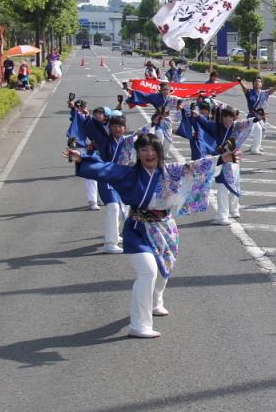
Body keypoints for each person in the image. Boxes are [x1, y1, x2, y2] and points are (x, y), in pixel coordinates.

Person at [68, 133, 238, 337]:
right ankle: (139, 324)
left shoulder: (171, 172)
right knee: (148, 272)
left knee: (163, 270)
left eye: (153, 150)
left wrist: (223, 158)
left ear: (160, 152)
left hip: (165, 228)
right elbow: (105, 169)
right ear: (138, 154)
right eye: (144, 150)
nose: (149, 154)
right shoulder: (128, 173)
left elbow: (196, 166)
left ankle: (156, 299)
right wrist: (81, 159)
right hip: (137, 229)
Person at [68, 108, 135, 253]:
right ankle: (110, 242)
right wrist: (85, 115)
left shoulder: (128, 141)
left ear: (125, 128)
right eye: (114, 126)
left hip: (122, 179)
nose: (117, 129)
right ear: (109, 128)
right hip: (106, 177)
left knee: (124, 208)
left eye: (120, 126)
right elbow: (92, 126)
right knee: (113, 207)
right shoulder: (104, 139)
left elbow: (143, 136)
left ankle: (116, 234)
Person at [190, 107, 255, 225]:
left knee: (234, 183)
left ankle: (234, 209)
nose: (229, 120)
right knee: (222, 187)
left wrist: (256, 119)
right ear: (222, 117)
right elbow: (205, 124)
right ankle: (222, 215)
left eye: (231, 117)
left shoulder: (236, 126)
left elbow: (247, 123)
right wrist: (197, 116)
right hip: (220, 160)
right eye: (226, 117)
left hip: (233, 159)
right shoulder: (216, 126)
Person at [239, 77, 274, 154]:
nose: (257, 83)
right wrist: (240, 81)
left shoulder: (264, 93)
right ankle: (255, 149)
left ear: (261, 84)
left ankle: (255, 146)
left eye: (259, 81)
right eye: (256, 81)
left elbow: (273, 90)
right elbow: (244, 87)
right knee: (258, 129)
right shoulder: (249, 92)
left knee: (263, 131)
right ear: (253, 84)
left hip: (261, 116)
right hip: (252, 116)